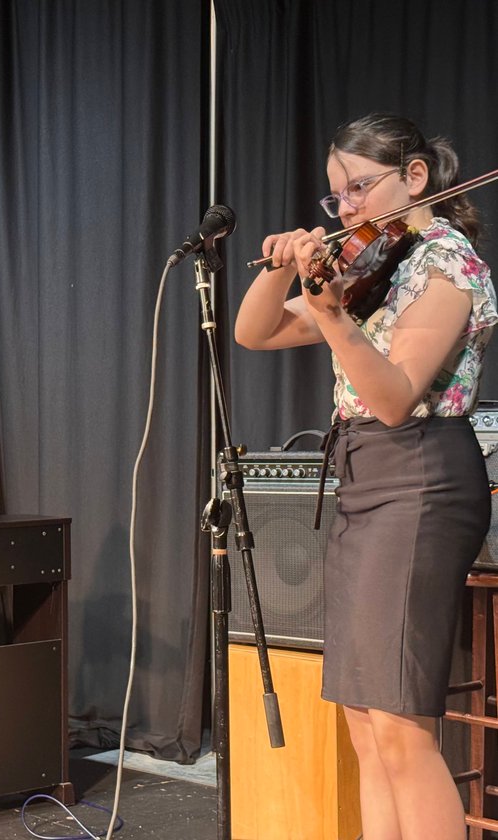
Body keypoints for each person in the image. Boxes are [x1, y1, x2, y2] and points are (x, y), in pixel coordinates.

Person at [234, 113, 498, 840]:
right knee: (363, 719)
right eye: (336, 196)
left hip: (420, 477)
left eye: (359, 188)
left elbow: (389, 398)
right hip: (362, 481)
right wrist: (292, 267)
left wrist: (333, 315)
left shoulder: (447, 264)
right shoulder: (371, 266)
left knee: (400, 724)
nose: (346, 208)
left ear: (415, 178)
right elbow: (254, 332)